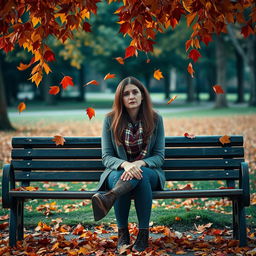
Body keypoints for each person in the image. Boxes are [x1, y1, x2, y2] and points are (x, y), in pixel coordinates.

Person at [92, 76, 165, 252]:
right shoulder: (110, 119)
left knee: (141, 175)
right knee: (123, 176)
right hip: (118, 171)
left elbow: (159, 156)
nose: (131, 96)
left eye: (135, 92)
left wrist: (139, 163)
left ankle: (110, 199)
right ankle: (123, 234)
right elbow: (107, 156)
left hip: (149, 171)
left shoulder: (155, 119)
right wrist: (126, 164)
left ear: (142, 95)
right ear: (120, 98)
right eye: (126, 94)